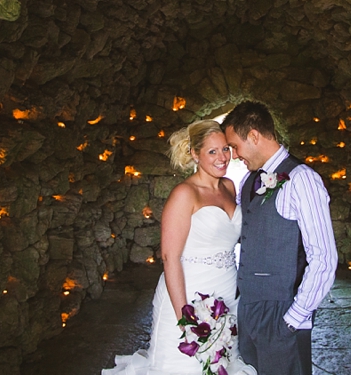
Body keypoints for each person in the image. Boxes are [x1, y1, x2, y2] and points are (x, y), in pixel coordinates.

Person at [103, 120, 256, 375]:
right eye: (212, 151)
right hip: (188, 295)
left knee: (222, 365)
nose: (223, 158)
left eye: (226, 149)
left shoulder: (229, 186)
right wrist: (186, 320)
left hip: (226, 293)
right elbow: (169, 257)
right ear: (195, 154)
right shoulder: (184, 194)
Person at [221, 101, 338, 375]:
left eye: (235, 146)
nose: (235, 156)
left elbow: (324, 257)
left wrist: (293, 320)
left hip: (282, 314)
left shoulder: (302, 179)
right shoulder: (248, 181)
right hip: (249, 312)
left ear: (254, 136)